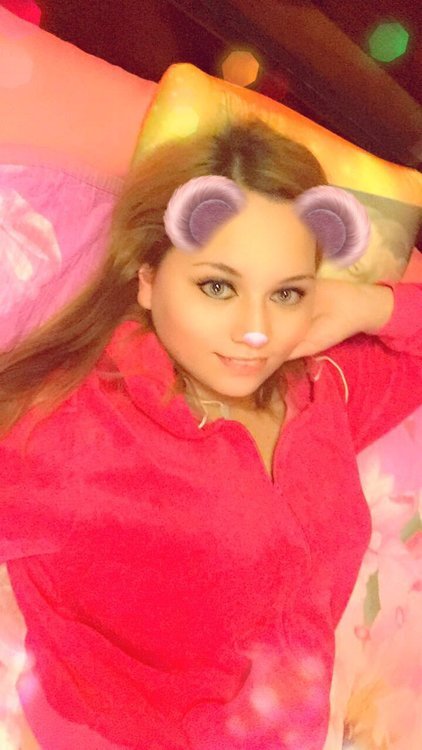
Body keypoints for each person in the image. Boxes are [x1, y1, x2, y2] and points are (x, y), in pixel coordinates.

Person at [0, 120, 421, 750]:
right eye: (218, 286)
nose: (255, 330)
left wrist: (368, 306)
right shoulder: (78, 429)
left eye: (285, 293)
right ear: (147, 277)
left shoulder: (322, 387)